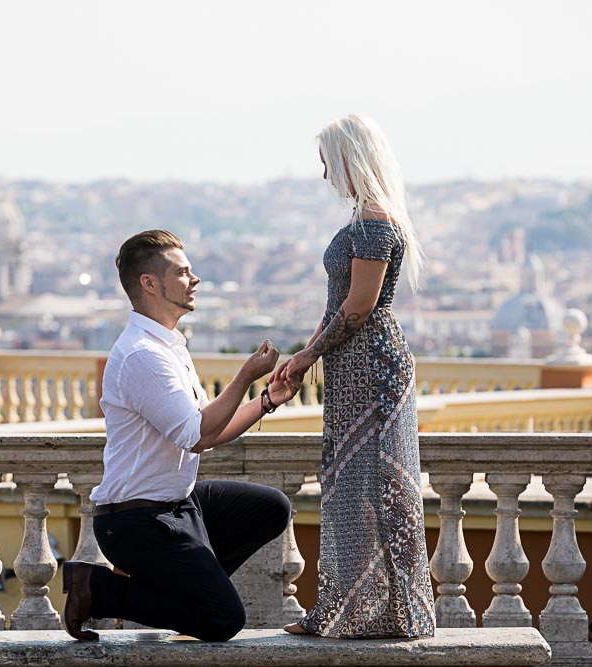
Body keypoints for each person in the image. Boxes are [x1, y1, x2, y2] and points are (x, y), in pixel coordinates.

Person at [61, 229, 302, 642]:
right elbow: (196, 435)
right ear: (150, 283)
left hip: (179, 505)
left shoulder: (169, 346)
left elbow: (210, 429)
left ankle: (180, 597)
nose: (196, 280)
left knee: (272, 508)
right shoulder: (142, 356)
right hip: (136, 521)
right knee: (223, 621)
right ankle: (95, 589)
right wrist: (245, 375)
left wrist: (266, 400)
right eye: (183, 272)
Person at [273, 114, 435, 639]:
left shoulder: (374, 224)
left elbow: (360, 308)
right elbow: (339, 306)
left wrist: (308, 356)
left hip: (372, 365)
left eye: (327, 164)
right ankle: (359, 611)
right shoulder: (366, 221)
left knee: (372, 485)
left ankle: (385, 611)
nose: (325, 177)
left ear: (348, 158)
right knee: (352, 484)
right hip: (353, 365)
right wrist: (305, 356)